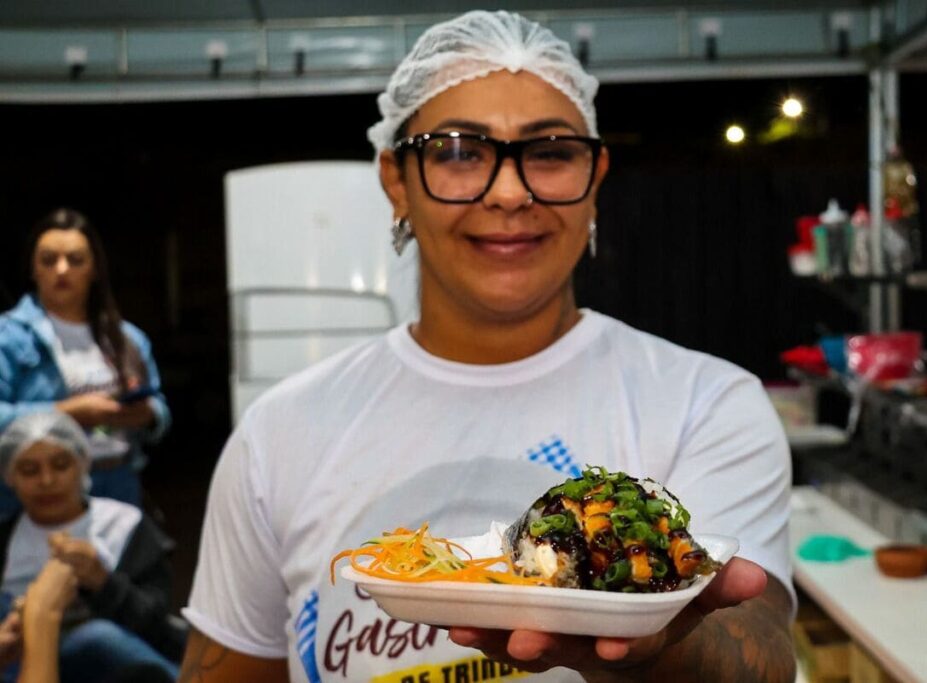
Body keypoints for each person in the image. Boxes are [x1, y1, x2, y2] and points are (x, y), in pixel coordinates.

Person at [181, 10, 796, 683]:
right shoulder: (281, 432)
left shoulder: (706, 405)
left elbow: (759, 647)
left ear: (594, 177)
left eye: (550, 151)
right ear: (397, 180)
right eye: (458, 151)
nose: (508, 192)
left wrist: (657, 644)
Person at [0, 208, 171, 513]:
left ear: (94, 269)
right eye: (48, 260)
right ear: (33, 269)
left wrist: (145, 414)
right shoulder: (9, 336)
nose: (61, 269)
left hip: (119, 481)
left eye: (75, 260)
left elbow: (159, 406)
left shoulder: (126, 338)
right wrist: (69, 413)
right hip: (42, 494)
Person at [0, 412, 180, 683]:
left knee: (98, 639)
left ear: (83, 463)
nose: (47, 481)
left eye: (61, 465)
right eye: (29, 470)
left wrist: (103, 582)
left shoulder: (125, 526)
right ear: (9, 476)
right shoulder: (6, 538)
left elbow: (161, 629)